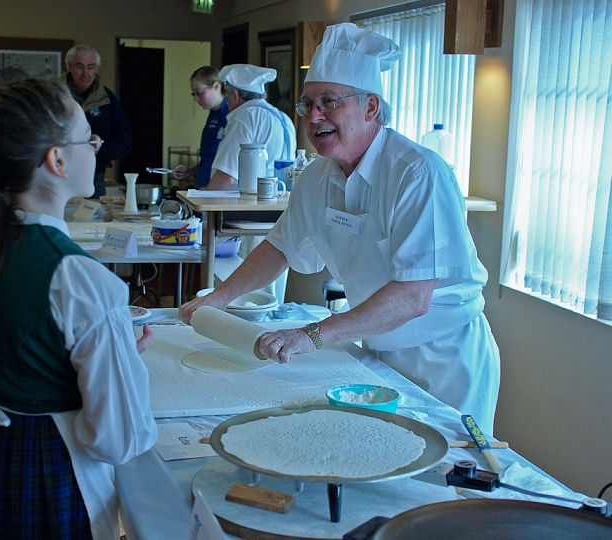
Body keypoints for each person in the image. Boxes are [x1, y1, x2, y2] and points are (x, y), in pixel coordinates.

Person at [180, 23, 500, 434]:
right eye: (307, 104)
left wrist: (312, 334)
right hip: (377, 350)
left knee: (445, 477)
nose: (314, 117)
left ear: (371, 108)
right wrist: (217, 299)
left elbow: (413, 298)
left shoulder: (418, 174)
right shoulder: (316, 177)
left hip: (445, 362)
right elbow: (279, 248)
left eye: (329, 102)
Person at [0, 78, 157, 538]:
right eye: (89, 137)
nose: (96, 146)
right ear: (57, 159)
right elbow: (120, 438)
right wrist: (120, 359)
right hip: (53, 477)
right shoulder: (82, 280)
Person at [206, 64, 296, 191]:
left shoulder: (246, 116)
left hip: (245, 205)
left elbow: (226, 175)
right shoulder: (283, 118)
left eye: (228, 96)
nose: (227, 101)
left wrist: (206, 202)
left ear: (236, 95)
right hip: (278, 201)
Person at [63, 44, 132, 199]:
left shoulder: (106, 99)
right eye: (80, 67)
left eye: (91, 67)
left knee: (93, 222)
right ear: (69, 67)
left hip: (94, 177)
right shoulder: (53, 95)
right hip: (58, 174)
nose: (85, 74)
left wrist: (99, 145)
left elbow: (124, 142)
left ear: (96, 69)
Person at [175, 66, 229, 188]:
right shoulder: (213, 114)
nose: (195, 99)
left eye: (199, 93)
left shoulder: (230, 114)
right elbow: (209, 156)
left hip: (217, 189)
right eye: (193, 94)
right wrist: (193, 170)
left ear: (216, 86)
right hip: (204, 184)